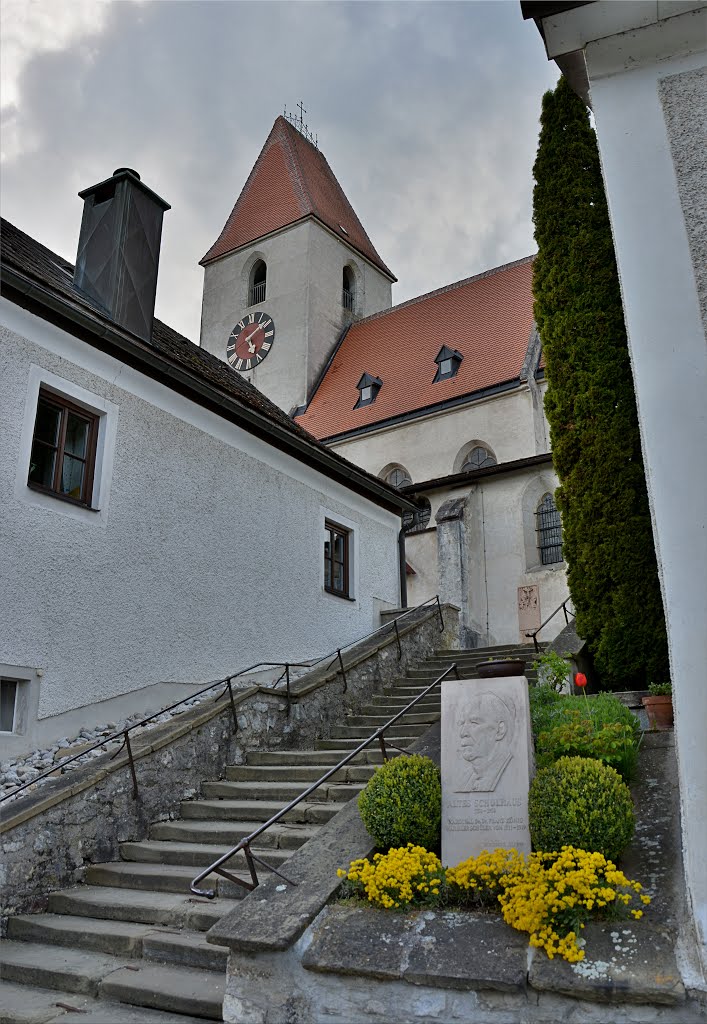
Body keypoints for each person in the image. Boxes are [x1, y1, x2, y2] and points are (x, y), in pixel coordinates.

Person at [455, 690, 515, 792]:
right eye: (462, 723)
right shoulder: (465, 778)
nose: (463, 733)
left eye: (474, 723)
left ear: (500, 730)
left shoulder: (514, 772)